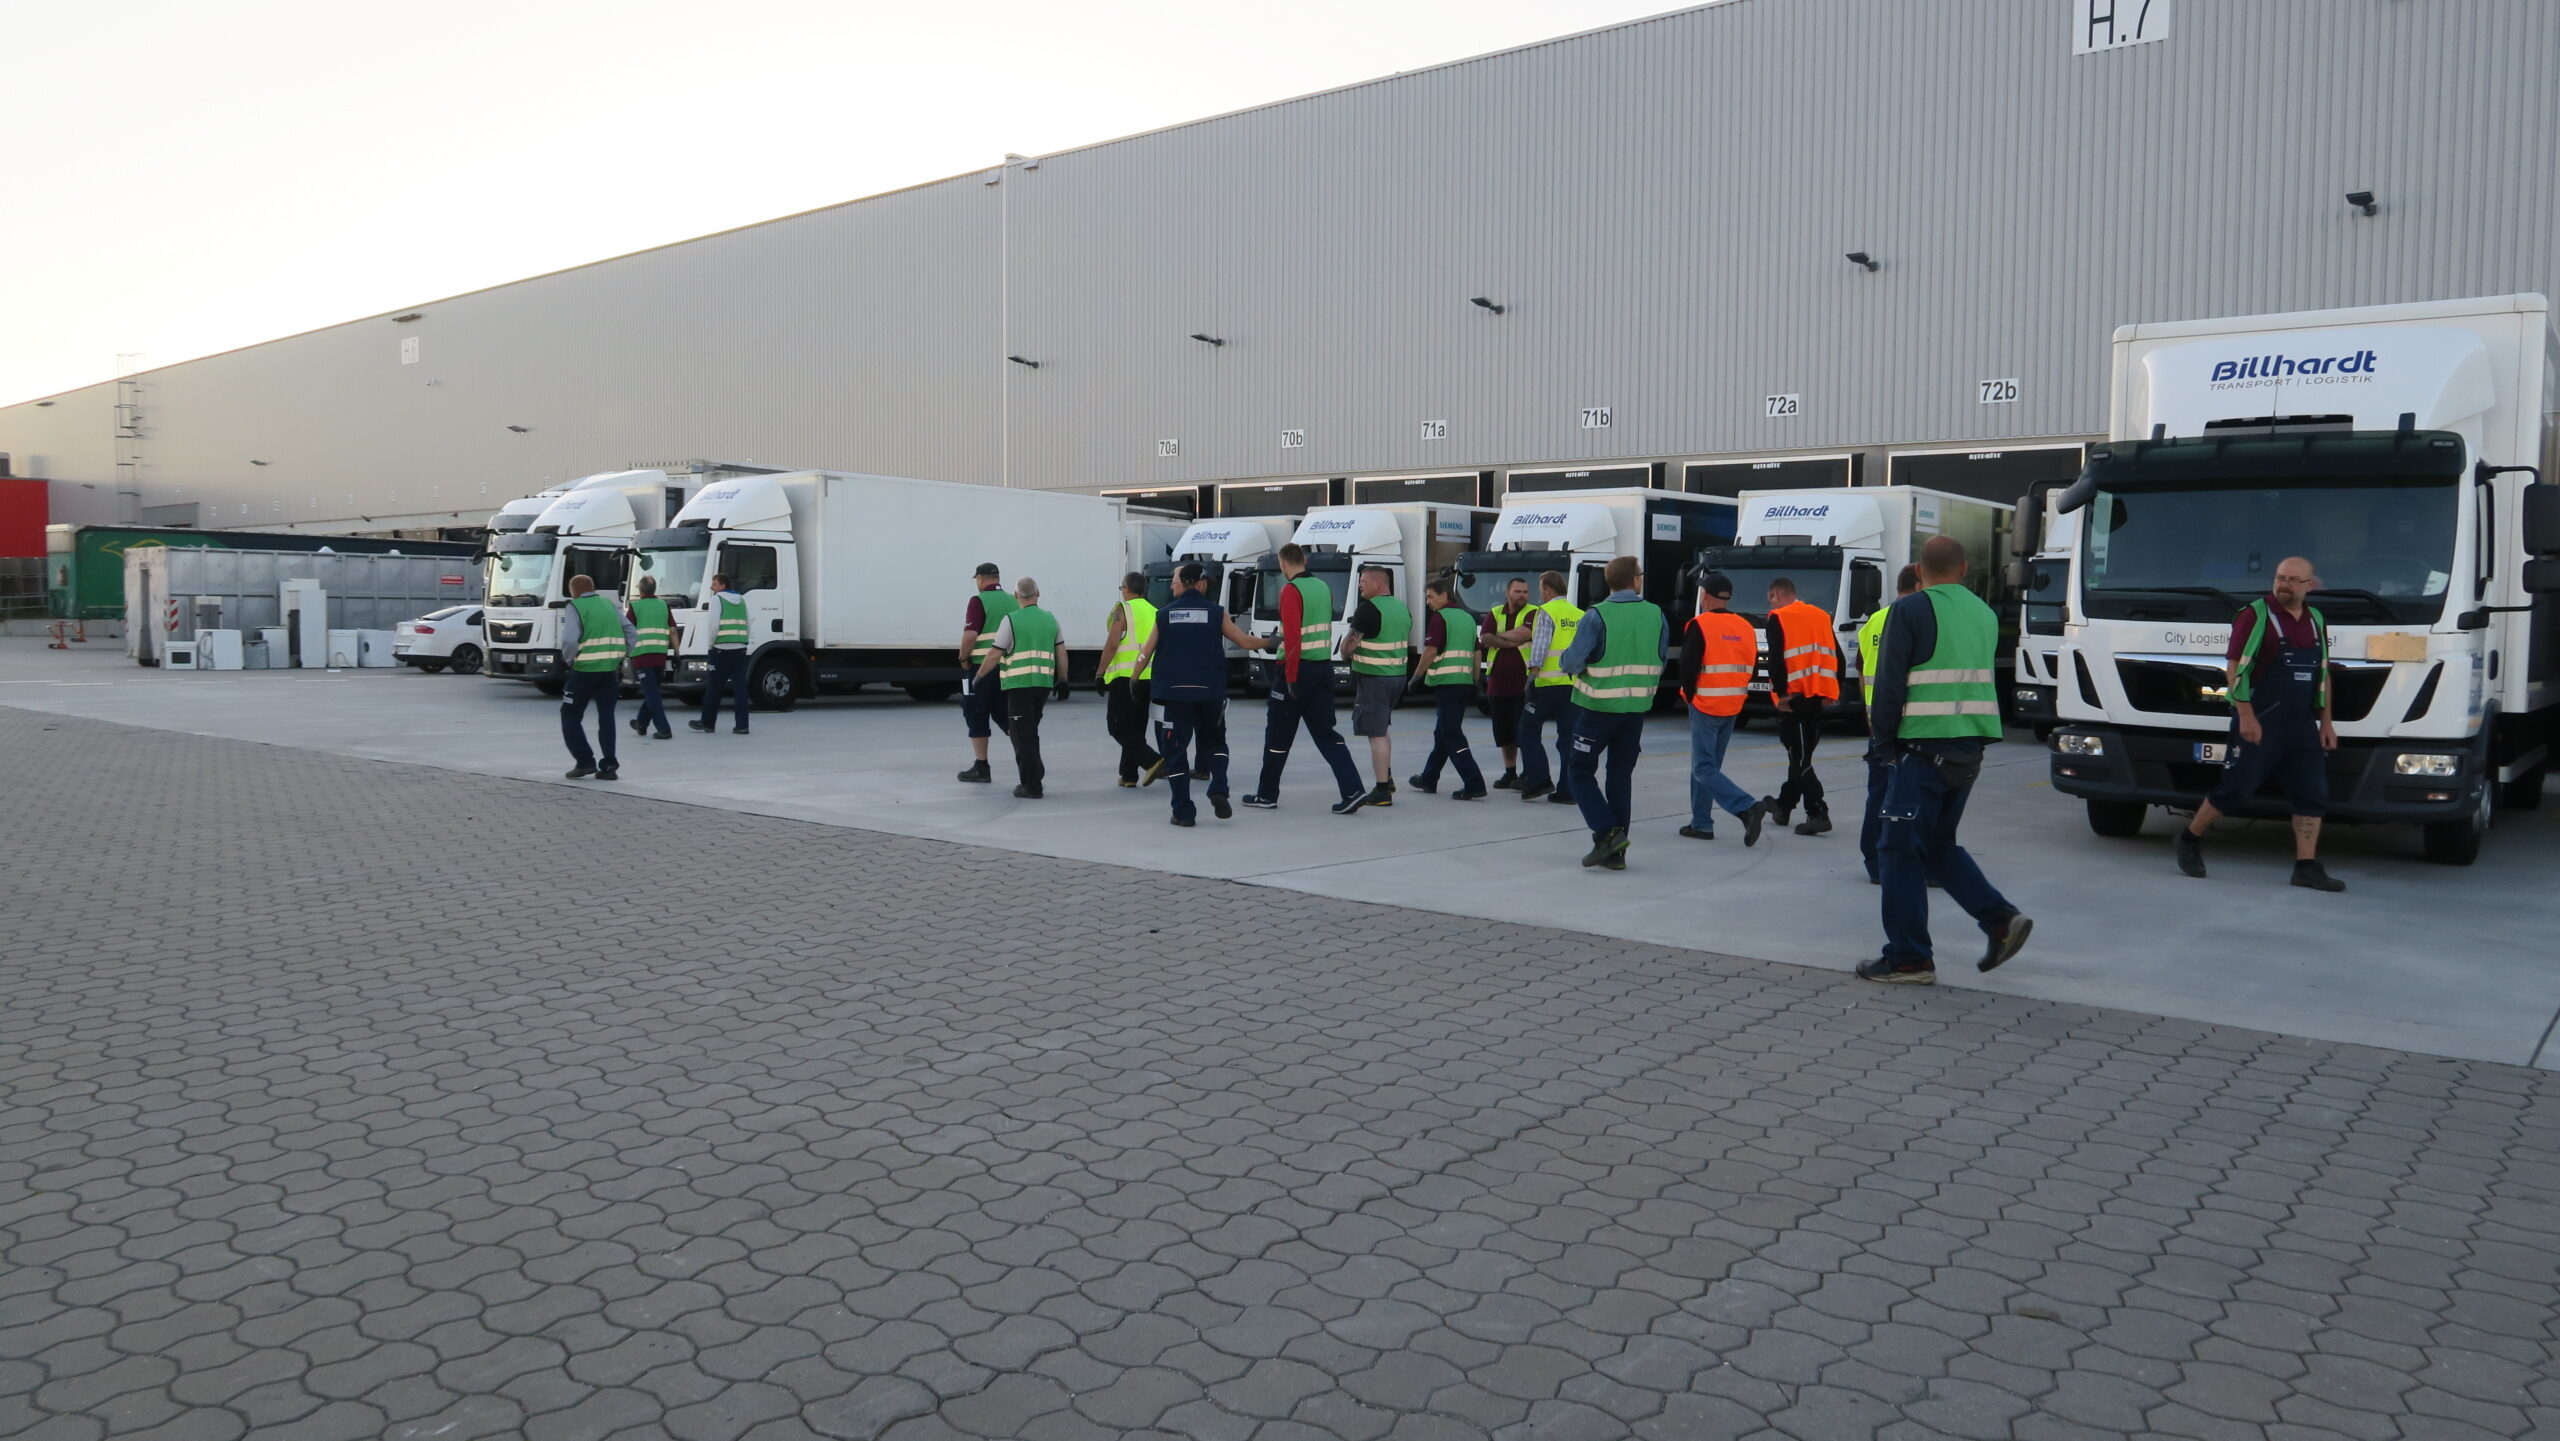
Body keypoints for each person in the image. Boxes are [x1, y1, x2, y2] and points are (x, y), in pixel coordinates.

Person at [1858, 535, 2033, 985]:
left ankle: (1909, 959)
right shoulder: (1984, 613)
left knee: (1897, 851)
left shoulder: (1910, 610)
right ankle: (2000, 920)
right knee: (1936, 846)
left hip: (1921, 751)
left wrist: (1884, 747)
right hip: (1968, 751)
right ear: (1963, 569)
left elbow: (1889, 685)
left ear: (1919, 570)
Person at [2175, 556, 2347, 892]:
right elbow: (2234, 668)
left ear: (2309, 585)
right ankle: (2189, 839)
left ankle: (2306, 867)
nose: (2285, 585)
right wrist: (2246, 715)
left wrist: (2326, 722)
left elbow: (2323, 674)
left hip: (2301, 724)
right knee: (2235, 790)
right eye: (2280, 578)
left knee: (2312, 794)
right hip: (2261, 719)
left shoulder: (2315, 619)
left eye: (2293, 580)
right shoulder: (2255, 615)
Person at [1133, 563, 1269, 825]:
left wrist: (1134, 678)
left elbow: (1145, 653)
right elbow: (1243, 641)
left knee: (1175, 753)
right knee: (1215, 743)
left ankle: (1183, 812)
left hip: (1174, 695)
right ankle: (1219, 788)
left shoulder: (1165, 614)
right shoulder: (1216, 613)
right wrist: (1271, 641)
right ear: (1202, 584)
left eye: (1175, 580)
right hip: (1210, 693)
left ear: (1186, 583)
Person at [1242, 544, 1371, 814]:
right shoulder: (1323, 587)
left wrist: (1290, 677)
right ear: (1304, 560)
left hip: (1296, 671)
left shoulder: (1291, 590)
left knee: (1278, 735)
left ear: (1283, 564)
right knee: (1326, 734)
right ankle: (1353, 789)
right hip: (1322, 668)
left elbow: (1293, 637)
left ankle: (1267, 794)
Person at [1558, 555, 1666, 869]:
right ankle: (1616, 854)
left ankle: (1608, 834)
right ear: (1634, 579)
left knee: (1579, 772)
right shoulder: (1656, 614)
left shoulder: (1597, 615)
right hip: (1635, 711)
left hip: (1598, 708)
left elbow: (1572, 662)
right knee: (1620, 778)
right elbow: (1660, 658)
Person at [1675, 572, 1770, 844]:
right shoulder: (1744, 626)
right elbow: (1752, 664)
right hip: (1733, 704)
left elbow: (1687, 666)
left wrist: (1689, 696)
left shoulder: (1700, 625)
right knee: (1708, 767)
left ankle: (1747, 807)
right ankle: (1701, 823)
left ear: (1705, 595)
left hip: (1705, 703)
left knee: (1703, 768)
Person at [1759, 577, 1840, 836]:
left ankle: (1818, 812)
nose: (1770, 604)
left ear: (1776, 595)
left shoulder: (1778, 618)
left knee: (1800, 760)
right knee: (1801, 757)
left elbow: (1775, 660)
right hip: (1817, 697)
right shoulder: (1821, 616)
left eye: (1770, 599)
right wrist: (1831, 690)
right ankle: (1784, 806)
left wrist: (1781, 693)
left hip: (1793, 699)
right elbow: (1835, 654)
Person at [1856, 565, 1921, 882]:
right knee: (1908, 797)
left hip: (1877, 724)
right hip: (1909, 723)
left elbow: (1861, 670)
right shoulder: (1917, 619)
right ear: (1919, 586)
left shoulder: (1874, 621)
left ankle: (1873, 861)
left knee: (1878, 794)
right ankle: (1900, 859)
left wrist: (1870, 714)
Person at [974, 576, 1061, 798]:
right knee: (1030, 732)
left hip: (1019, 685)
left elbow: (994, 654)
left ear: (1016, 596)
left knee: (1022, 737)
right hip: (1043, 685)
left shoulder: (1011, 620)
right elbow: (1061, 652)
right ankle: (1035, 773)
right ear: (1038, 593)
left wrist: (979, 676)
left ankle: (1031, 786)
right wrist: (1064, 679)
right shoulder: (1050, 619)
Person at [1407, 577, 1490, 800]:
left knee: (1451, 734)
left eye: (1430, 596)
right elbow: (1477, 652)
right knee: (1442, 732)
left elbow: (1430, 650)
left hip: (1447, 684)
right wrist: (1475, 680)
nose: (1427, 602)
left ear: (1444, 596)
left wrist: (1416, 676)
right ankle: (1429, 778)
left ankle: (1474, 783)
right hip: (1464, 683)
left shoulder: (1440, 617)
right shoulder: (1467, 618)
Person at [1508, 570, 1584, 805]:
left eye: (1541, 589)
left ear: (1548, 589)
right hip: (1573, 686)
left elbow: (1540, 646)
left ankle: (1539, 779)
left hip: (1547, 684)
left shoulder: (1546, 611)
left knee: (1527, 730)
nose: (1540, 594)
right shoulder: (1579, 614)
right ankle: (1567, 790)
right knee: (1568, 739)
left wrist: (1531, 677)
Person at [1342, 564, 1411, 807]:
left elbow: (1348, 646)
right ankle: (1387, 777)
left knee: (1376, 734)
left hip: (1374, 679)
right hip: (1397, 677)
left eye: (1363, 581)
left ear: (1378, 583)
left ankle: (1382, 791)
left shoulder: (1368, 609)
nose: (1360, 585)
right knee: (1382, 729)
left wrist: (1345, 654)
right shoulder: (1402, 608)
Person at [557, 574, 636, 780]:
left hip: (584, 670)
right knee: (606, 716)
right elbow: (630, 630)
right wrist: (623, 654)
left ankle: (585, 762)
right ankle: (609, 765)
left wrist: (569, 660)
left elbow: (569, 639)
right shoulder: (609, 604)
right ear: (592, 588)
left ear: (574, 590)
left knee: (570, 714)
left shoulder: (575, 606)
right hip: (609, 670)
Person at [1099, 572, 1162, 787]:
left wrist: (1100, 672)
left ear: (1126, 589)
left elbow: (1112, 644)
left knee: (1117, 725)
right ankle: (1129, 775)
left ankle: (1153, 761)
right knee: (1136, 726)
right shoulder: (1155, 611)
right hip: (1148, 677)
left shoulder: (1123, 609)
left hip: (1125, 677)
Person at [955, 562, 1017, 782]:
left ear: (980, 579)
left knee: (975, 712)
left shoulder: (978, 600)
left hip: (982, 669)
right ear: (998, 577)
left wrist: (963, 658)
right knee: (1006, 715)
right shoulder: (1014, 601)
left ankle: (981, 767)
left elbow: (971, 635)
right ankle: (1028, 759)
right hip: (1008, 670)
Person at [1481, 577, 1536, 788]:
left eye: (1525, 592)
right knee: (1504, 734)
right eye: (1517, 591)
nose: (1522, 595)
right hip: (1497, 684)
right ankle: (1510, 773)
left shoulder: (1534, 612)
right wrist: (1510, 640)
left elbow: (1525, 634)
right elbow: (1485, 638)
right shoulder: (1496, 612)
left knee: (1524, 733)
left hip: (1524, 685)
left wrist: (1497, 637)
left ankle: (1528, 773)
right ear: (1507, 593)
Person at [687, 573, 751, 736]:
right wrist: (744, 643)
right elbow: (748, 623)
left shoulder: (717, 600)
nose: (711, 587)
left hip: (721, 649)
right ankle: (742, 725)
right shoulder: (741, 600)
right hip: (740, 649)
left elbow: (713, 626)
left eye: (714, 584)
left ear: (723, 586)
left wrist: (710, 645)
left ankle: (707, 723)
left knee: (714, 688)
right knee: (740, 689)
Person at [625, 574, 674, 742]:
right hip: (660, 655)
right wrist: (677, 653)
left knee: (652, 694)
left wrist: (625, 652)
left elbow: (628, 630)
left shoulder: (635, 606)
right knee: (652, 691)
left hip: (642, 656)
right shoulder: (664, 605)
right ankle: (641, 723)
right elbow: (672, 630)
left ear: (640, 590)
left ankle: (664, 729)